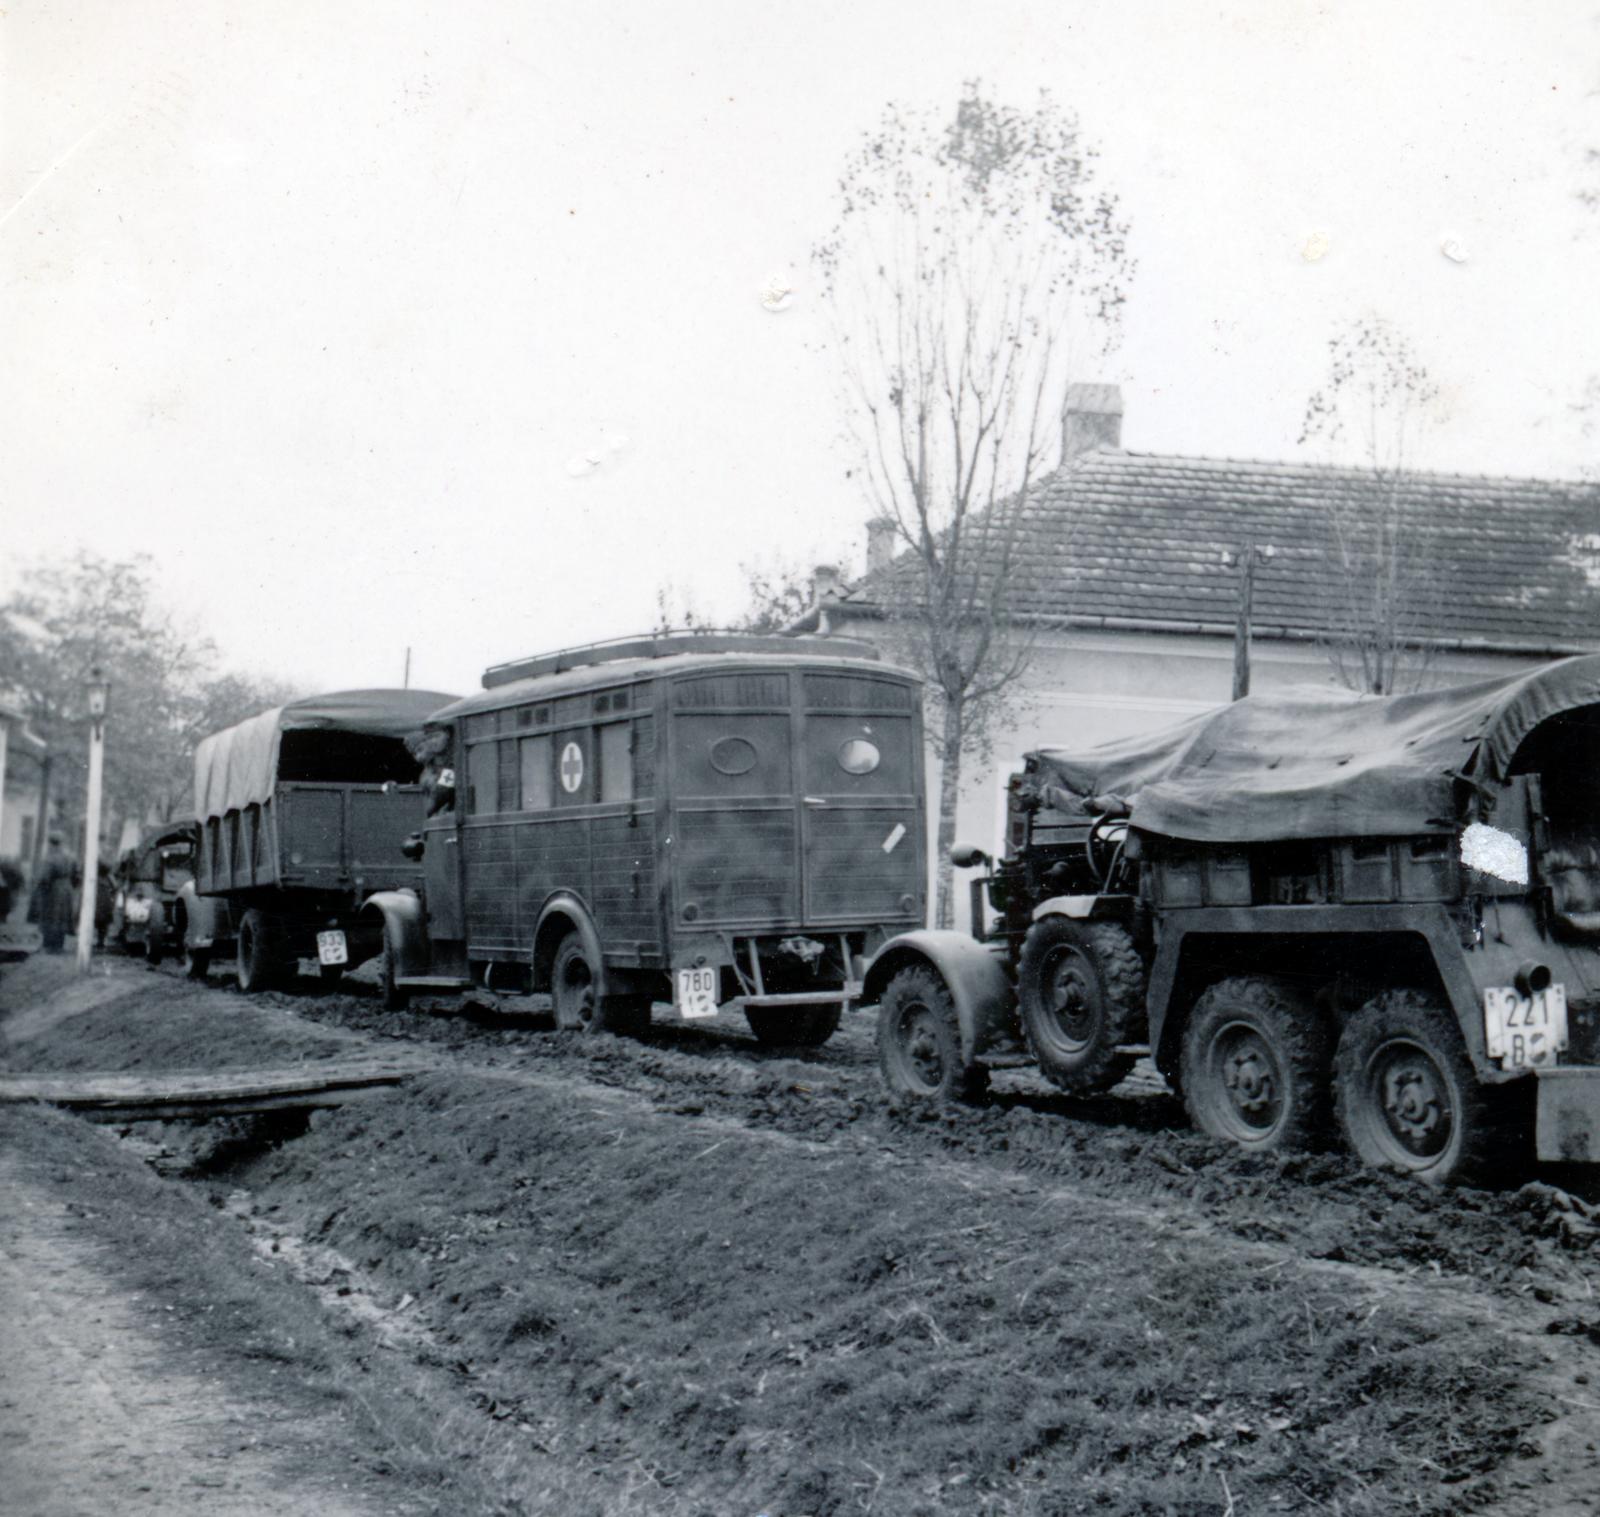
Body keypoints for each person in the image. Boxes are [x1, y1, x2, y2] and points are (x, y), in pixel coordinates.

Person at [34, 835, 76, 954]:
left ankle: (49, 945)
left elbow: (45, 877)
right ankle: (59, 945)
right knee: (63, 917)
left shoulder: (50, 858)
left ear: (51, 844)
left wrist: (42, 888)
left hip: (53, 890)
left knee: (50, 916)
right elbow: (76, 875)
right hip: (67, 889)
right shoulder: (70, 857)